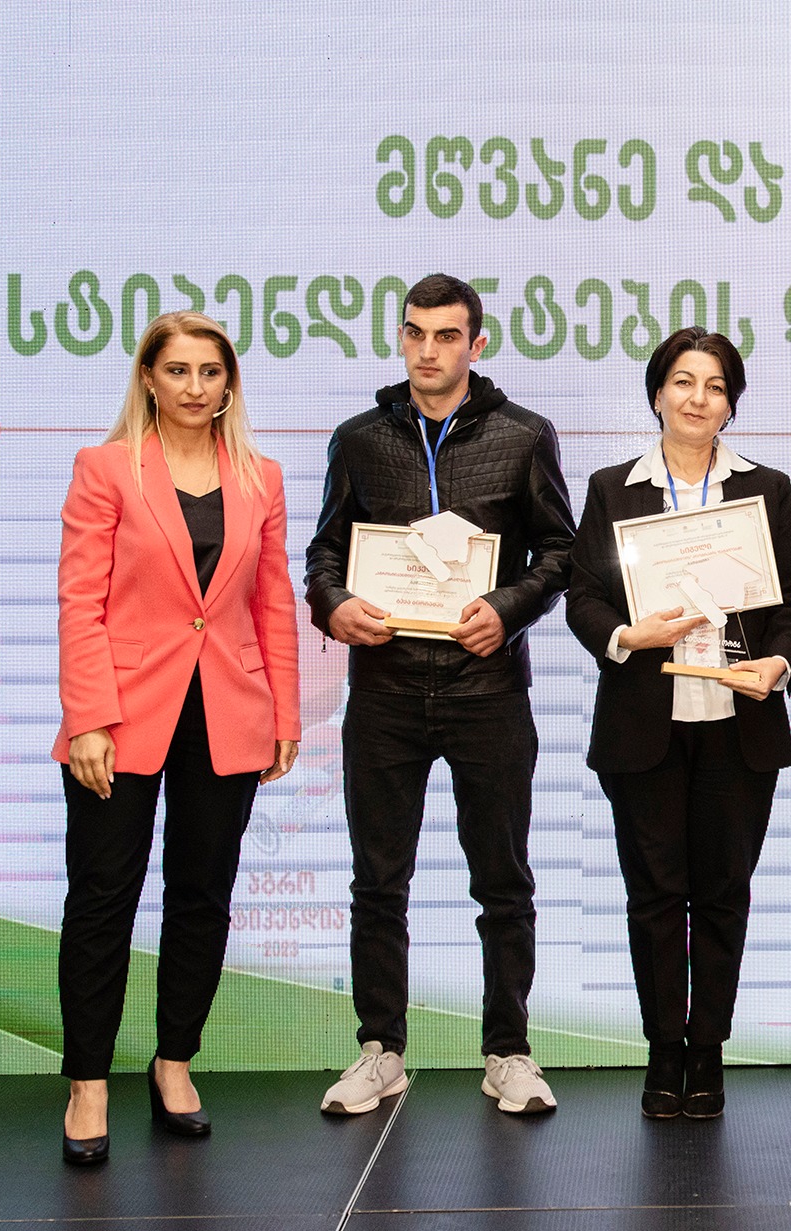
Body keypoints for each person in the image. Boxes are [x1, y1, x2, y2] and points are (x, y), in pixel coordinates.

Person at [305, 274, 575, 1118]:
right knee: (377, 882)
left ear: (475, 344)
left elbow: (561, 553)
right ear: (401, 337)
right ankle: (380, 1050)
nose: (429, 350)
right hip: (384, 693)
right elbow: (323, 554)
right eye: (415, 332)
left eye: (447, 335)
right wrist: (334, 604)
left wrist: (508, 609)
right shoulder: (358, 439)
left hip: (487, 690)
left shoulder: (523, 434)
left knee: (504, 881)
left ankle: (509, 1052)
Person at [53, 311, 301, 1164]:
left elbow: (272, 603)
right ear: (149, 379)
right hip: (120, 715)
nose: (195, 386)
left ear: (229, 383)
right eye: (179, 370)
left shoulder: (261, 477)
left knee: (202, 896)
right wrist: (88, 717)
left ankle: (174, 1062)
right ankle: (88, 1083)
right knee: (102, 899)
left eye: (210, 371)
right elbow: (79, 602)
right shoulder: (105, 469)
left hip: (228, 712)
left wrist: (285, 715)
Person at [565, 328, 791, 1119]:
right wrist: (626, 635)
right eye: (683, 381)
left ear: (731, 403)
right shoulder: (613, 488)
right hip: (645, 724)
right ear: (657, 393)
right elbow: (582, 596)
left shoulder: (766, 488)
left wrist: (778, 662)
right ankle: (662, 1048)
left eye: (714, 385)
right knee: (654, 897)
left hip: (738, 723)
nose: (697, 397)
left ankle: (708, 1049)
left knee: (724, 894)